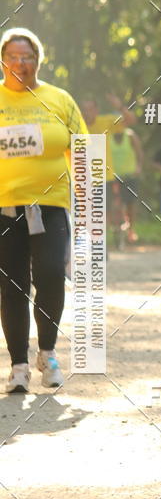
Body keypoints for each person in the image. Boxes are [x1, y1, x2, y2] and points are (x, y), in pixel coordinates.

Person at [0, 27, 87, 393]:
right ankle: (18, 365)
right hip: (4, 208)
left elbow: (83, 152)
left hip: (50, 206)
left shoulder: (60, 99)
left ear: (39, 60)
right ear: (4, 61)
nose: (21, 63)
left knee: (51, 275)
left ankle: (47, 353)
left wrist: (90, 208)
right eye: (14, 57)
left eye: (28, 57)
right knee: (11, 284)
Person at [80, 94, 136, 244]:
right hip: (83, 177)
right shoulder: (76, 126)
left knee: (103, 212)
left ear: (96, 110)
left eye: (90, 109)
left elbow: (131, 120)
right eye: (84, 110)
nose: (87, 113)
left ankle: (101, 244)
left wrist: (119, 107)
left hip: (104, 177)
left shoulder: (105, 122)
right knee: (86, 213)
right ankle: (93, 242)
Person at [110, 126, 143, 245]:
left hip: (130, 176)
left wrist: (139, 167)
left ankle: (131, 230)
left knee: (131, 204)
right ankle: (116, 226)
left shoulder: (130, 136)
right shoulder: (108, 137)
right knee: (114, 203)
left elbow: (139, 153)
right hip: (113, 177)